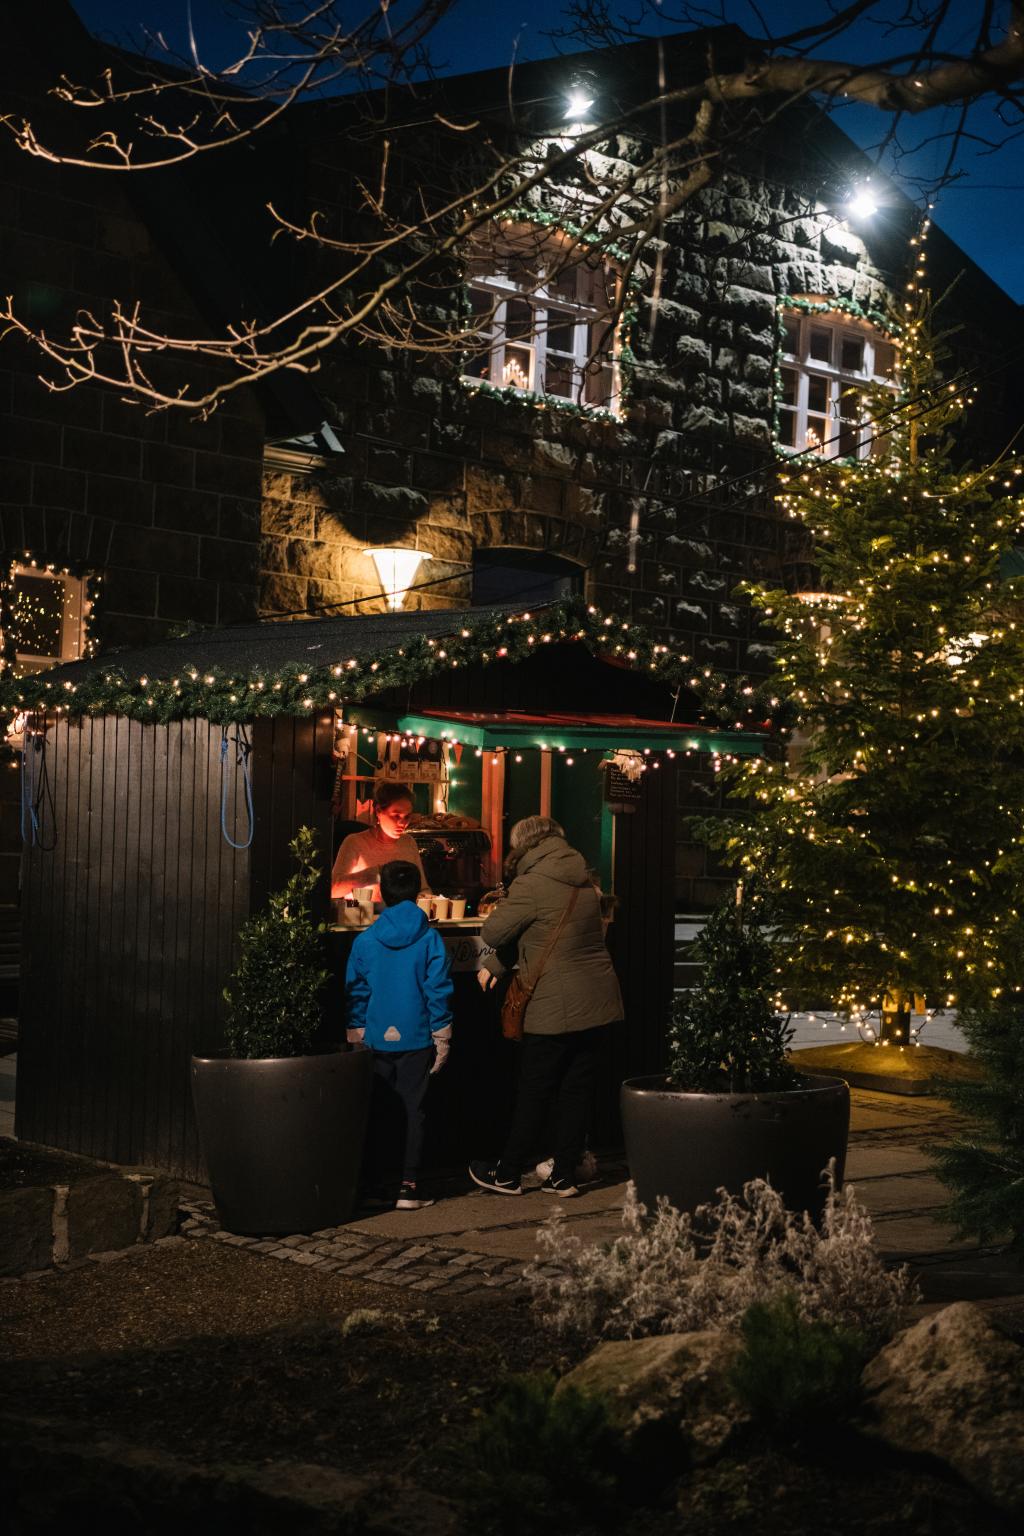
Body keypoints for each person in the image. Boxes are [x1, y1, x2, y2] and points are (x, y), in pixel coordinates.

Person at [468, 816, 623, 1199]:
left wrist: (506, 906)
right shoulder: (583, 878)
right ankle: (564, 1175)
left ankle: (506, 1173)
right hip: (598, 999)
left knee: (534, 1089)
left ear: (524, 847)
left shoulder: (531, 882)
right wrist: (498, 965)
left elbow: (493, 932)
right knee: (576, 1090)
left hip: (555, 1003)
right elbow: (545, 935)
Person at [345, 859, 453, 1210]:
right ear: (419, 891)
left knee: (377, 1109)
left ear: (381, 891)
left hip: (376, 1035)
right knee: (413, 1110)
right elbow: (437, 990)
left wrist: (357, 1031)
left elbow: (356, 991)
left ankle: (375, 1183)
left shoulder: (366, 941)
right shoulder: (430, 938)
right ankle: (408, 1186)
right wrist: (443, 1035)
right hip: (417, 1036)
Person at [331, 781, 430, 902]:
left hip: (403, 917)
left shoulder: (408, 843)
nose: (403, 823)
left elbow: (423, 889)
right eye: (396, 816)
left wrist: (426, 900)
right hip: (369, 918)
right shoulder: (355, 843)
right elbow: (332, 889)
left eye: (407, 817)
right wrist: (371, 875)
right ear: (378, 811)